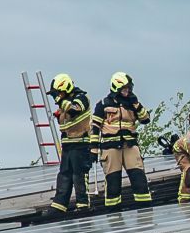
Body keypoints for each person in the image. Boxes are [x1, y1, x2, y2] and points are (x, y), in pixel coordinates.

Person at [91, 71, 152, 207]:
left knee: (139, 178)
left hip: (130, 145)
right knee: (113, 182)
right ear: (116, 88)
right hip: (110, 147)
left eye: (129, 88)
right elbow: (95, 127)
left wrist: (136, 104)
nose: (127, 91)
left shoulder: (132, 103)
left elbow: (146, 119)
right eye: (124, 88)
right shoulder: (103, 104)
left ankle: (145, 209)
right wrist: (93, 150)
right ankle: (113, 213)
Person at [46, 73, 93, 214]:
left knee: (79, 175)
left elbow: (74, 110)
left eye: (58, 93)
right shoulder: (65, 103)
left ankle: (83, 205)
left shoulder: (81, 98)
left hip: (81, 144)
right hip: (67, 145)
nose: (56, 97)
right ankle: (59, 205)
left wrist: (61, 102)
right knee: (64, 175)